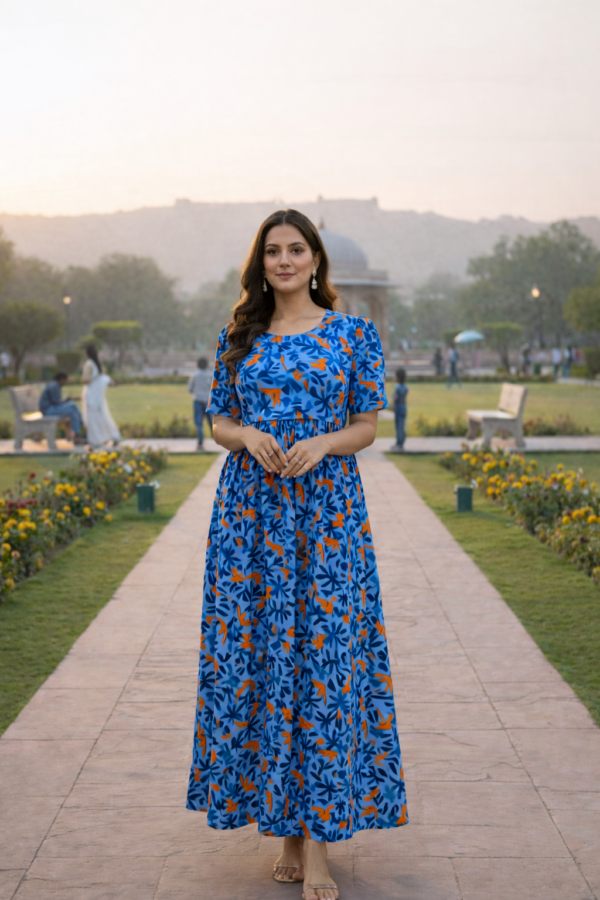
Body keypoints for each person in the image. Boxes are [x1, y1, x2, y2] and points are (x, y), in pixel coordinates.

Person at [186, 210, 407, 900]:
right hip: (251, 520)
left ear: (315, 260)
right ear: (261, 262)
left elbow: (367, 426)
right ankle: (285, 831)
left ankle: (318, 848)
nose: (284, 260)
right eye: (273, 251)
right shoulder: (239, 335)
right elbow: (219, 420)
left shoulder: (352, 335)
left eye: (296, 249)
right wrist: (246, 436)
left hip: (327, 517)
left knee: (324, 666)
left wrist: (322, 443)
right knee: (265, 664)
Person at [81, 345, 121, 447]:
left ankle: (95, 440)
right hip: (98, 395)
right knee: (102, 415)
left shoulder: (89, 364)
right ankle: (113, 436)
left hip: (91, 394)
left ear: (87, 354)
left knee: (93, 418)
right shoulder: (96, 365)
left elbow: (85, 379)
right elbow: (102, 378)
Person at [39, 372, 85, 444]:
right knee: (72, 407)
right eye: (65, 380)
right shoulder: (54, 386)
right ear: (62, 379)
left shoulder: (56, 385)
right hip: (48, 410)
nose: (66, 382)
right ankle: (78, 431)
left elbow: (56, 401)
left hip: (51, 408)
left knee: (72, 407)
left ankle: (77, 432)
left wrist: (66, 400)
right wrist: (65, 400)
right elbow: (55, 401)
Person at [188, 357, 213, 450]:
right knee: (211, 421)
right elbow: (213, 387)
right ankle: (217, 438)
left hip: (198, 400)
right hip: (207, 400)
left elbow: (190, 389)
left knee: (199, 422)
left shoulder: (195, 375)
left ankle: (200, 442)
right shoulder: (209, 375)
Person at [390, 367, 408, 452]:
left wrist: (391, 402)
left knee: (398, 426)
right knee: (402, 425)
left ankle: (399, 444)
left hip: (398, 408)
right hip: (404, 407)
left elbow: (395, 398)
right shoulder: (405, 387)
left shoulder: (397, 387)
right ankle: (400, 441)